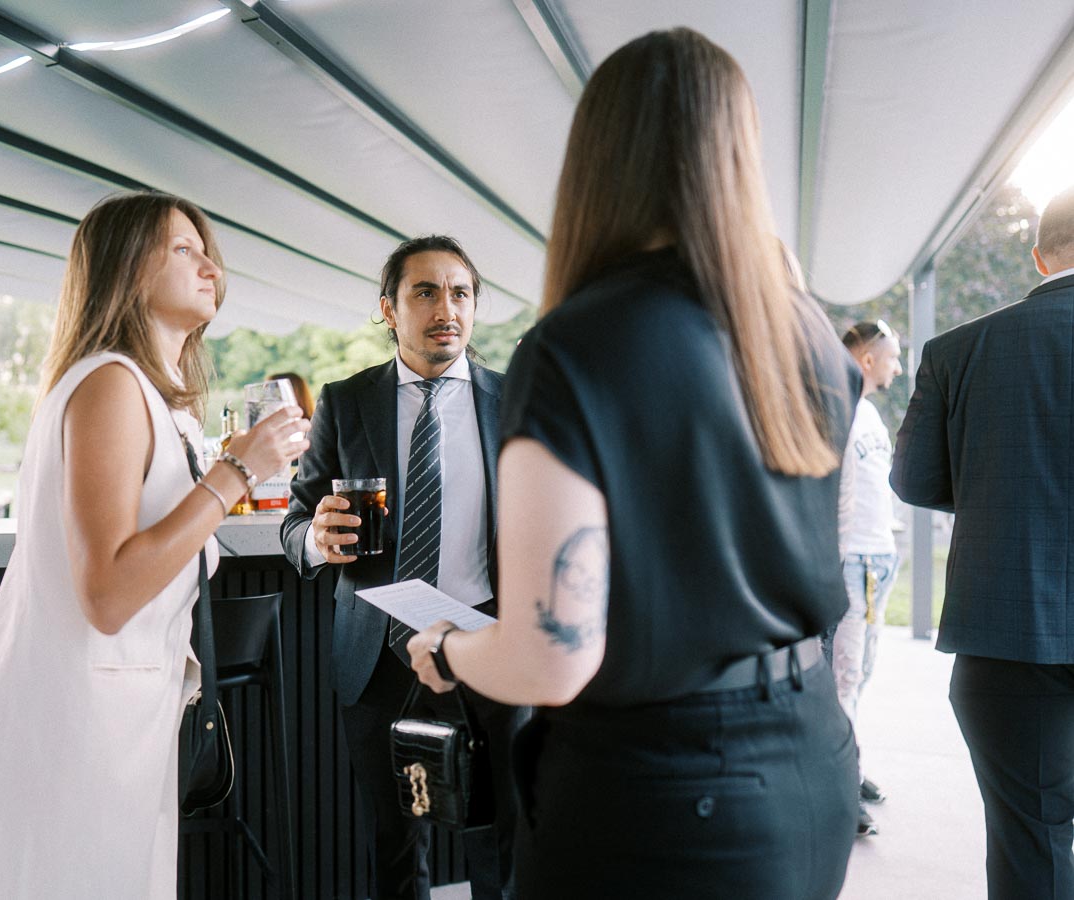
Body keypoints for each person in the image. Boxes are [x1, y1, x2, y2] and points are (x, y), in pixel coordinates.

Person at [406, 29, 861, 898]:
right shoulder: (805, 334)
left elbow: (551, 659)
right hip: (811, 757)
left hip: (664, 792)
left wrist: (450, 646)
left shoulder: (580, 345)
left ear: (597, 159)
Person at [0, 191, 309, 897]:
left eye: (208, 252)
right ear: (129, 270)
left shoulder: (149, 398)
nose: (211, 268)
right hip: (64, 732)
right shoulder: (109, 384)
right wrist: (237, 474)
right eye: (183, 250)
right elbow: (107, 593)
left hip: (117, 723)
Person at [280, 235, 519, 900]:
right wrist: (314, 539)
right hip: (378, 650)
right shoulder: (345, 401)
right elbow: (296, 524)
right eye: (425, 291)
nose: (447, 307)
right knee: (392, 843)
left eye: (461, 292)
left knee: (502, 837)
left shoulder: (519, 400)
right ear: (388, 308)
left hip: (491, 642)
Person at [892, 184, 1074, 899]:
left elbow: (913, 480)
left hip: (1008, 634)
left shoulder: (958, 349)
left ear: (1038, 257)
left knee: (1030, 843)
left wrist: (1000, 495)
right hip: (1011, 636)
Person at [835, 318, 904, 838]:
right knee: (845, 676)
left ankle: (848, 767)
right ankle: (840, 782)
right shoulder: (837, 411)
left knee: (863, 673)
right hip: (852, 562)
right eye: (892, 358)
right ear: (866, 360)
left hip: (878, 560)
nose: (897, 368)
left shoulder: (871, 415)